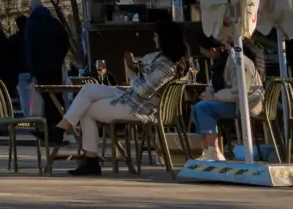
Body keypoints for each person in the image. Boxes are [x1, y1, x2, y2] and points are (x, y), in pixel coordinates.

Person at [59, 18, 187, 176]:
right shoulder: (164, 59)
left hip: (141, 107)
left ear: (165, 38)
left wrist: (132, 74)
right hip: (132, 98)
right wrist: (136, 69)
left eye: (156, 35)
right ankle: (62, 130)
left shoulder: (166, 65)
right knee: (89, 89)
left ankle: (88, 157)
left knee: (86, 109)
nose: (154, 38)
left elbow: (144, 91)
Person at [192, 34, 265, 162]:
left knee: (203, 108)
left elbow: (239, 92)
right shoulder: (220, 62)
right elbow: (213, 84)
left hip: (247, 103)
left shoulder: (238, 62)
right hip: (232, 102)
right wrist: (208, 95)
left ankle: (213, 150)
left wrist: (215, 97)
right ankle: (208, 150)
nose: (202, 53)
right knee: (199, 107)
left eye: (203, 50)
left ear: (212, 50)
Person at [20, 0, 72, 122]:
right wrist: (58, 58)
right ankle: (59, 127)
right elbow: (65, 42)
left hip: (40, 69)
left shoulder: (32, 24)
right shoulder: (54, 23)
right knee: (57, 97)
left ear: (31, 9)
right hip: (55, 67)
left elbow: (30, 48)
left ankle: (51, 129)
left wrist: (32, 69)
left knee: (45, 99)